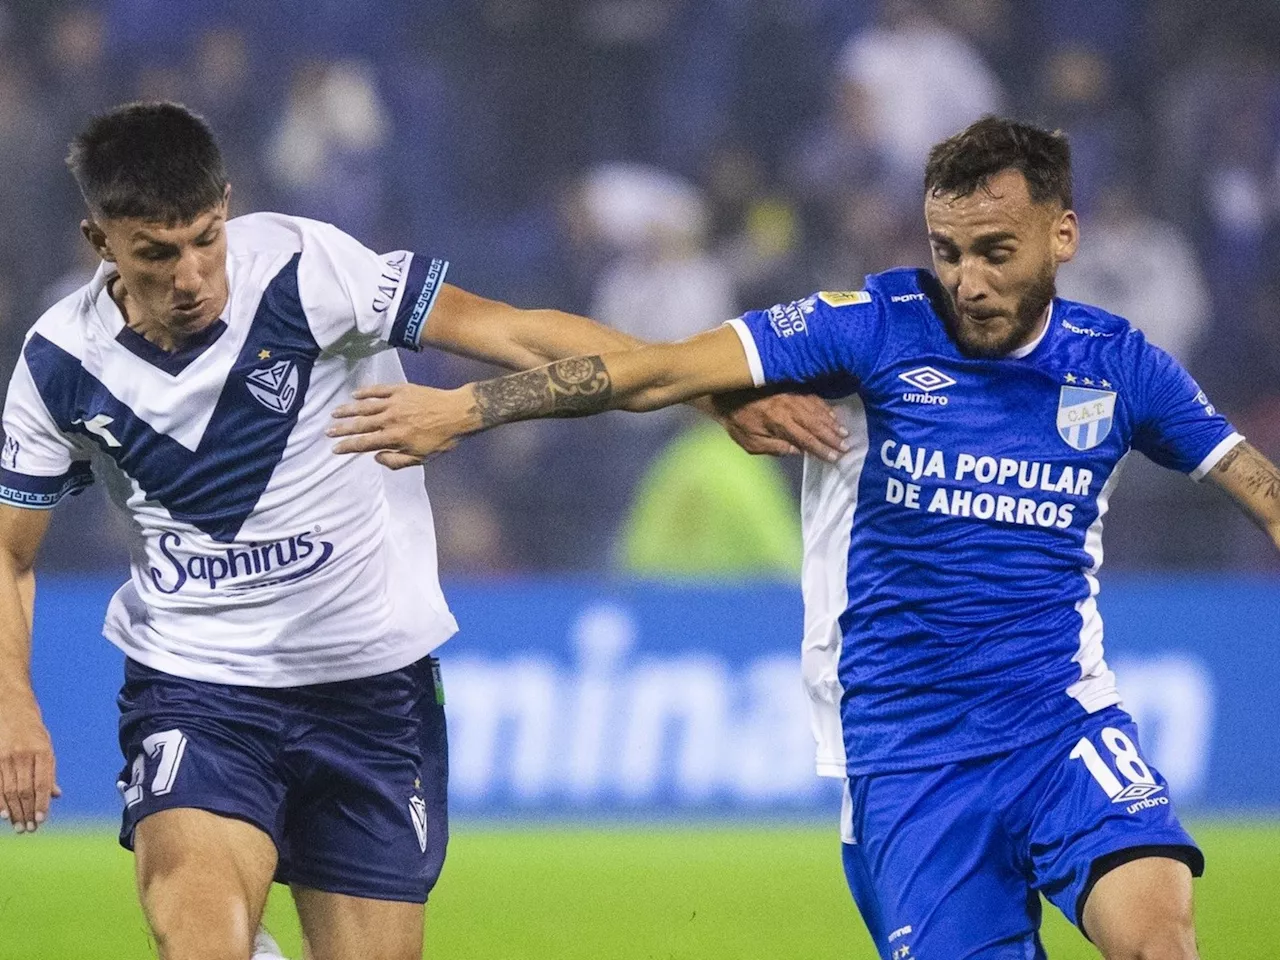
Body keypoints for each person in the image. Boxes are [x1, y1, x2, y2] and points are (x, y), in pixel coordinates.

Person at [329, 116, 1280, 959]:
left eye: (996, 250)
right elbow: (649, 370)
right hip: (907, 757)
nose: (969, 282)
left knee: (1160, 940)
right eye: (948, 252)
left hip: (1060, 727)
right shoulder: (872, 328)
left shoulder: (1120, 365)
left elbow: (1257, 486)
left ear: (1063, 234)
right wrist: (469, 408)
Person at [0, 101, 841, 960]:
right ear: (100, 241)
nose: (192, 275)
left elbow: (514, 331)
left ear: (226, 202)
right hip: (200, 689)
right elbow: (9, 552)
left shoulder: (308, 268)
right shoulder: (60, 364)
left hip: (369, 692)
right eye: (157, 253)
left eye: (207, 238)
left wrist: (711, 393)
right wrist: (14, 700)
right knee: (200, 940)